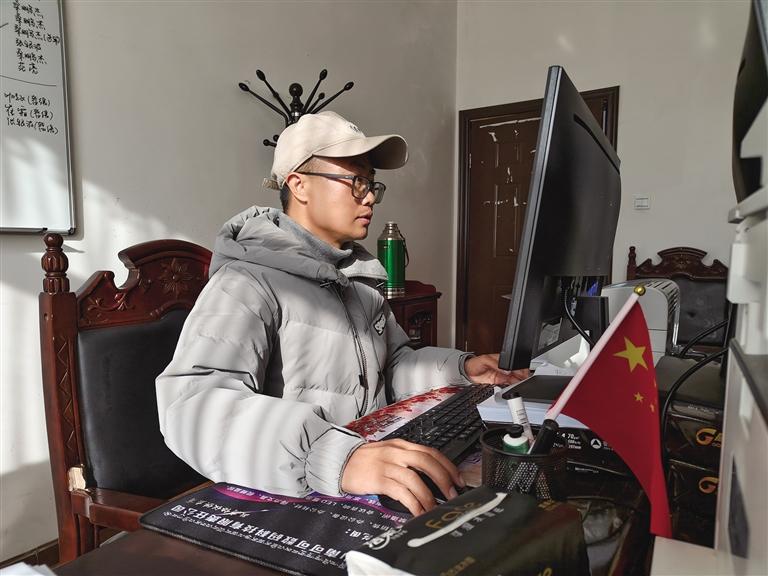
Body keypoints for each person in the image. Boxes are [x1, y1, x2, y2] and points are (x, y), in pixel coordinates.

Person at [156, 111, 526, 516]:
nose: (369, 198)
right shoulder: (247, 281)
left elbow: (392, 366)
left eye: (372, 184)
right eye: (356, 181)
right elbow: (191, 406)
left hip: (365, 470)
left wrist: (462, 369)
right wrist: (334, 457)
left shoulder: (358, 280)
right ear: (299, 184)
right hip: (298, 490)